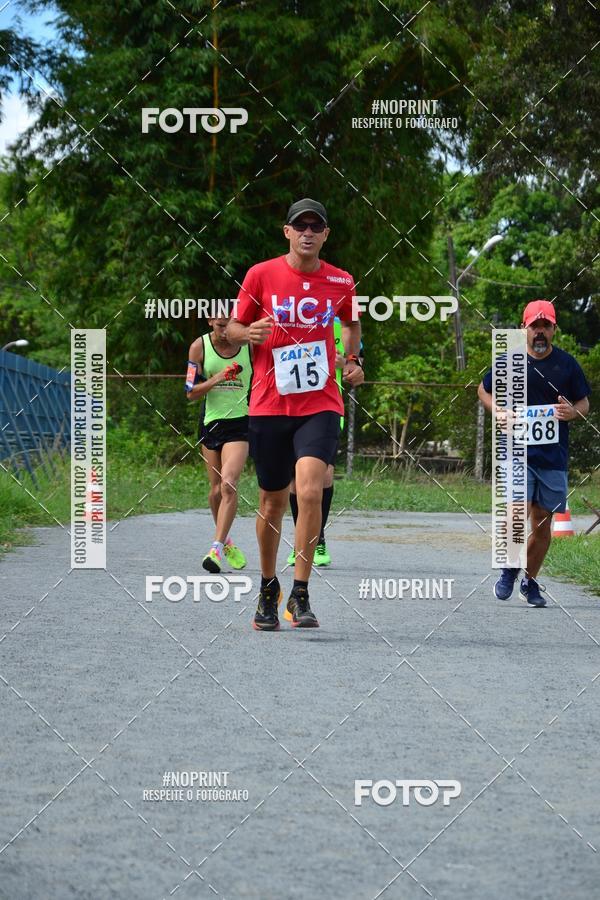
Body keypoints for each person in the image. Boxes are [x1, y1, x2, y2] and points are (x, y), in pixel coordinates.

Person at [227, 198, 364, 630]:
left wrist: (353, 359)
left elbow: (352, 323)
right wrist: (247, 332)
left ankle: (300, 592)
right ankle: (269, 587)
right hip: (269, 403)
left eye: (316, 226)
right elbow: (231, 329)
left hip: (320, 402)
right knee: (271, 499)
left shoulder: (341, 281)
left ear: (325, 235)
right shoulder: (261, 275)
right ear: (286, 231)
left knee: (308, 492)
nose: (307, 232)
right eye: (299, 225)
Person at [478, 299, 591, 607]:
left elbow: (584, 403)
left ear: (554, 329)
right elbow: (483, 390)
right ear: (522, 329)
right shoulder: (509, 362)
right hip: (517, 453)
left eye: (546, 326)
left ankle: (529, 581)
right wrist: (498, 411)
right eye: (534, 326)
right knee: (516, 513)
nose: (540, 332)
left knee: (542, 523)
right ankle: (508, 569)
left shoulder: (567, 365)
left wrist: (573, 412)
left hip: (553, 457)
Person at [186, 312, 252, 573]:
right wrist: (216, 379)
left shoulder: (249, 347)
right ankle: (227, 542)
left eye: (232, 325)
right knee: (215, 490)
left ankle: (214, 549)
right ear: (211, 322)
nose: (227, 331)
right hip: (211, 421)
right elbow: (190, 392)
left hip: (241, 422)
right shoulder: (199, 347)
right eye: (222, 325)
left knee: (228, 484)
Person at [287, 317, 347, 567]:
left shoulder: (340, 324)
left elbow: (356, 362)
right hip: (289, 410)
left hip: (326, 410)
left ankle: (318, 539)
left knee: (325, 476)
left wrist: (348, 363)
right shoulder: (287, 320)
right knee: (294, 480)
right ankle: (301, 539)